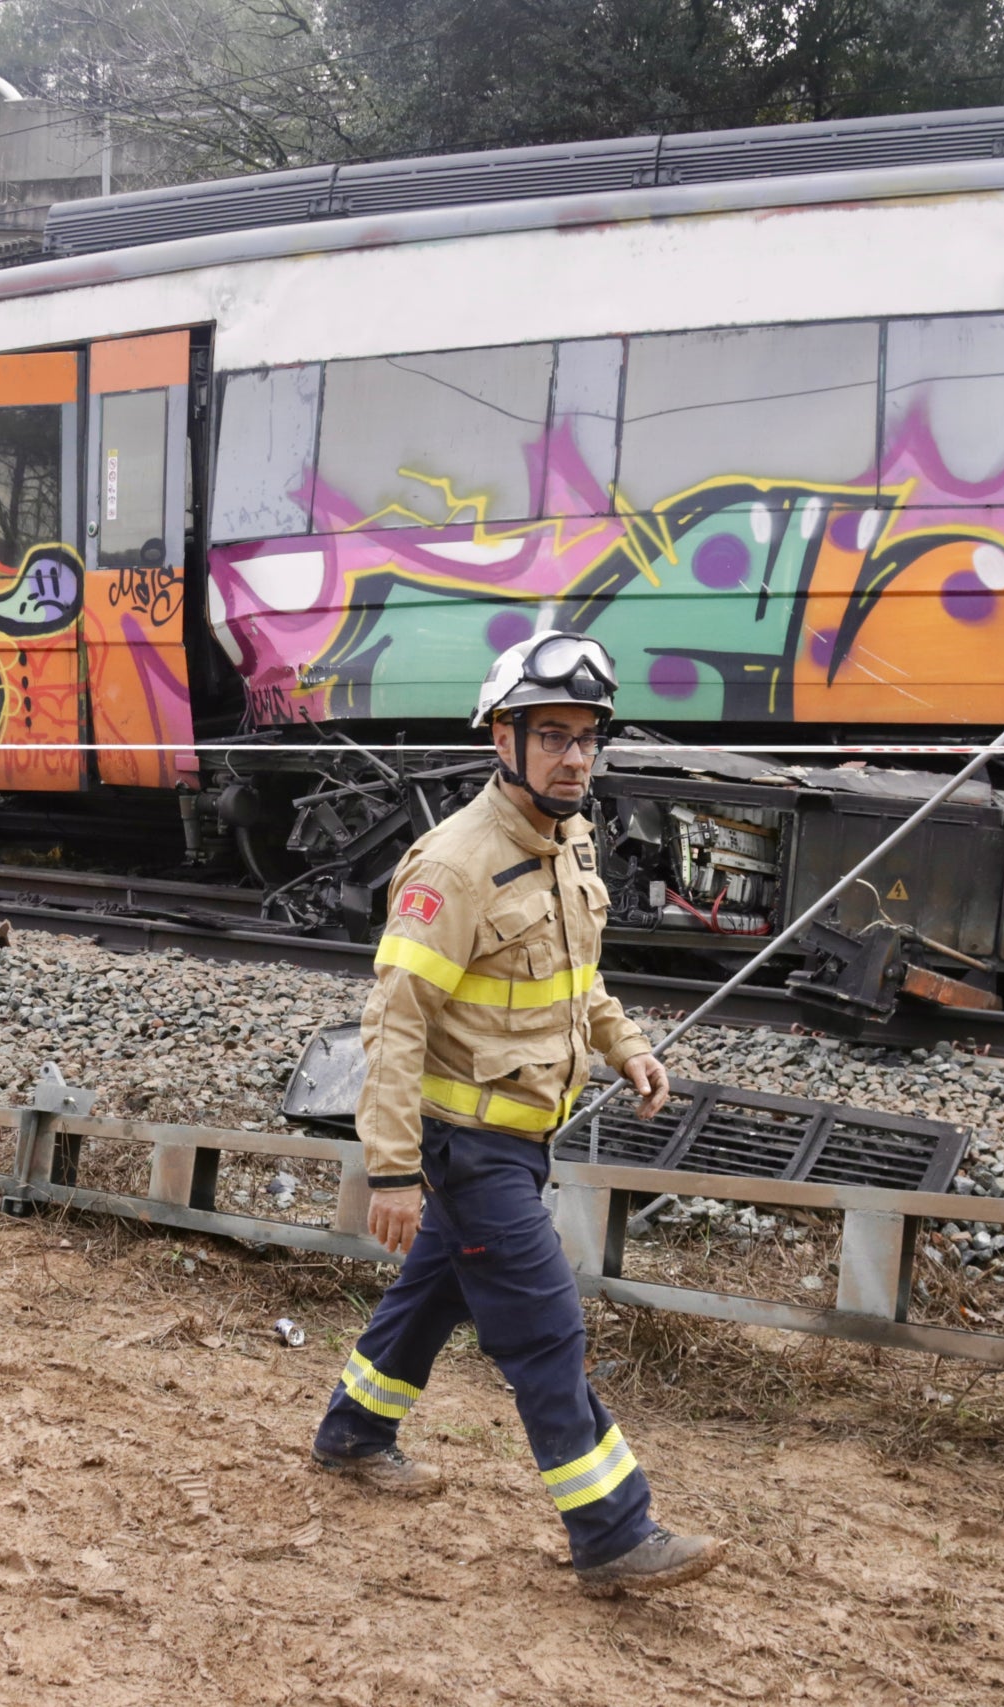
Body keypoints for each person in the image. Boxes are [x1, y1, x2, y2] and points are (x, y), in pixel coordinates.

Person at [308, 630, 725, 1596]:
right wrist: (396, 1168)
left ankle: (354, 1430)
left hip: (524, 1135)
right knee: (545, 1326)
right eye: (551, 735)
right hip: (468, 1150)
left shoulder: (568, 840)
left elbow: (578, 977)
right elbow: (394, 1020)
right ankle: (615, 1534)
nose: (574, 755)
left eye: (586, 736)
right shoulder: (455, 865)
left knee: (433, 1295)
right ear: (503, 738)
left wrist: (625, 1045)